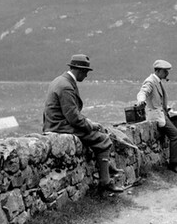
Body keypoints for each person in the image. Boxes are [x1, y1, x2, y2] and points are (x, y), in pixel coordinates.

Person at [43, 54, 124, 193]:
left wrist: (89, 121)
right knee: (103, 139)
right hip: (60, 126)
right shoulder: (66, 86)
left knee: (101, 131)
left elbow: (71, 112)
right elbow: (73, 117)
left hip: (56, 123)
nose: (86, 76)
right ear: (79, 70)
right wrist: (90, 125)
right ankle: (105, 181)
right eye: (86, 72)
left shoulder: (61, 81)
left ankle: (107, 165)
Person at [136, 59, 177, 175]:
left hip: (162, 113)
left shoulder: (158, 81)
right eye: (165, 71)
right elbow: (143, 92)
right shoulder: (150, 81)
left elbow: (158, 100)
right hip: (156, 116)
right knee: (176, 136)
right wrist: (141, 101)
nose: (167, 74)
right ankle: (175, 164)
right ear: (158, 71)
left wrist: (168, 108)